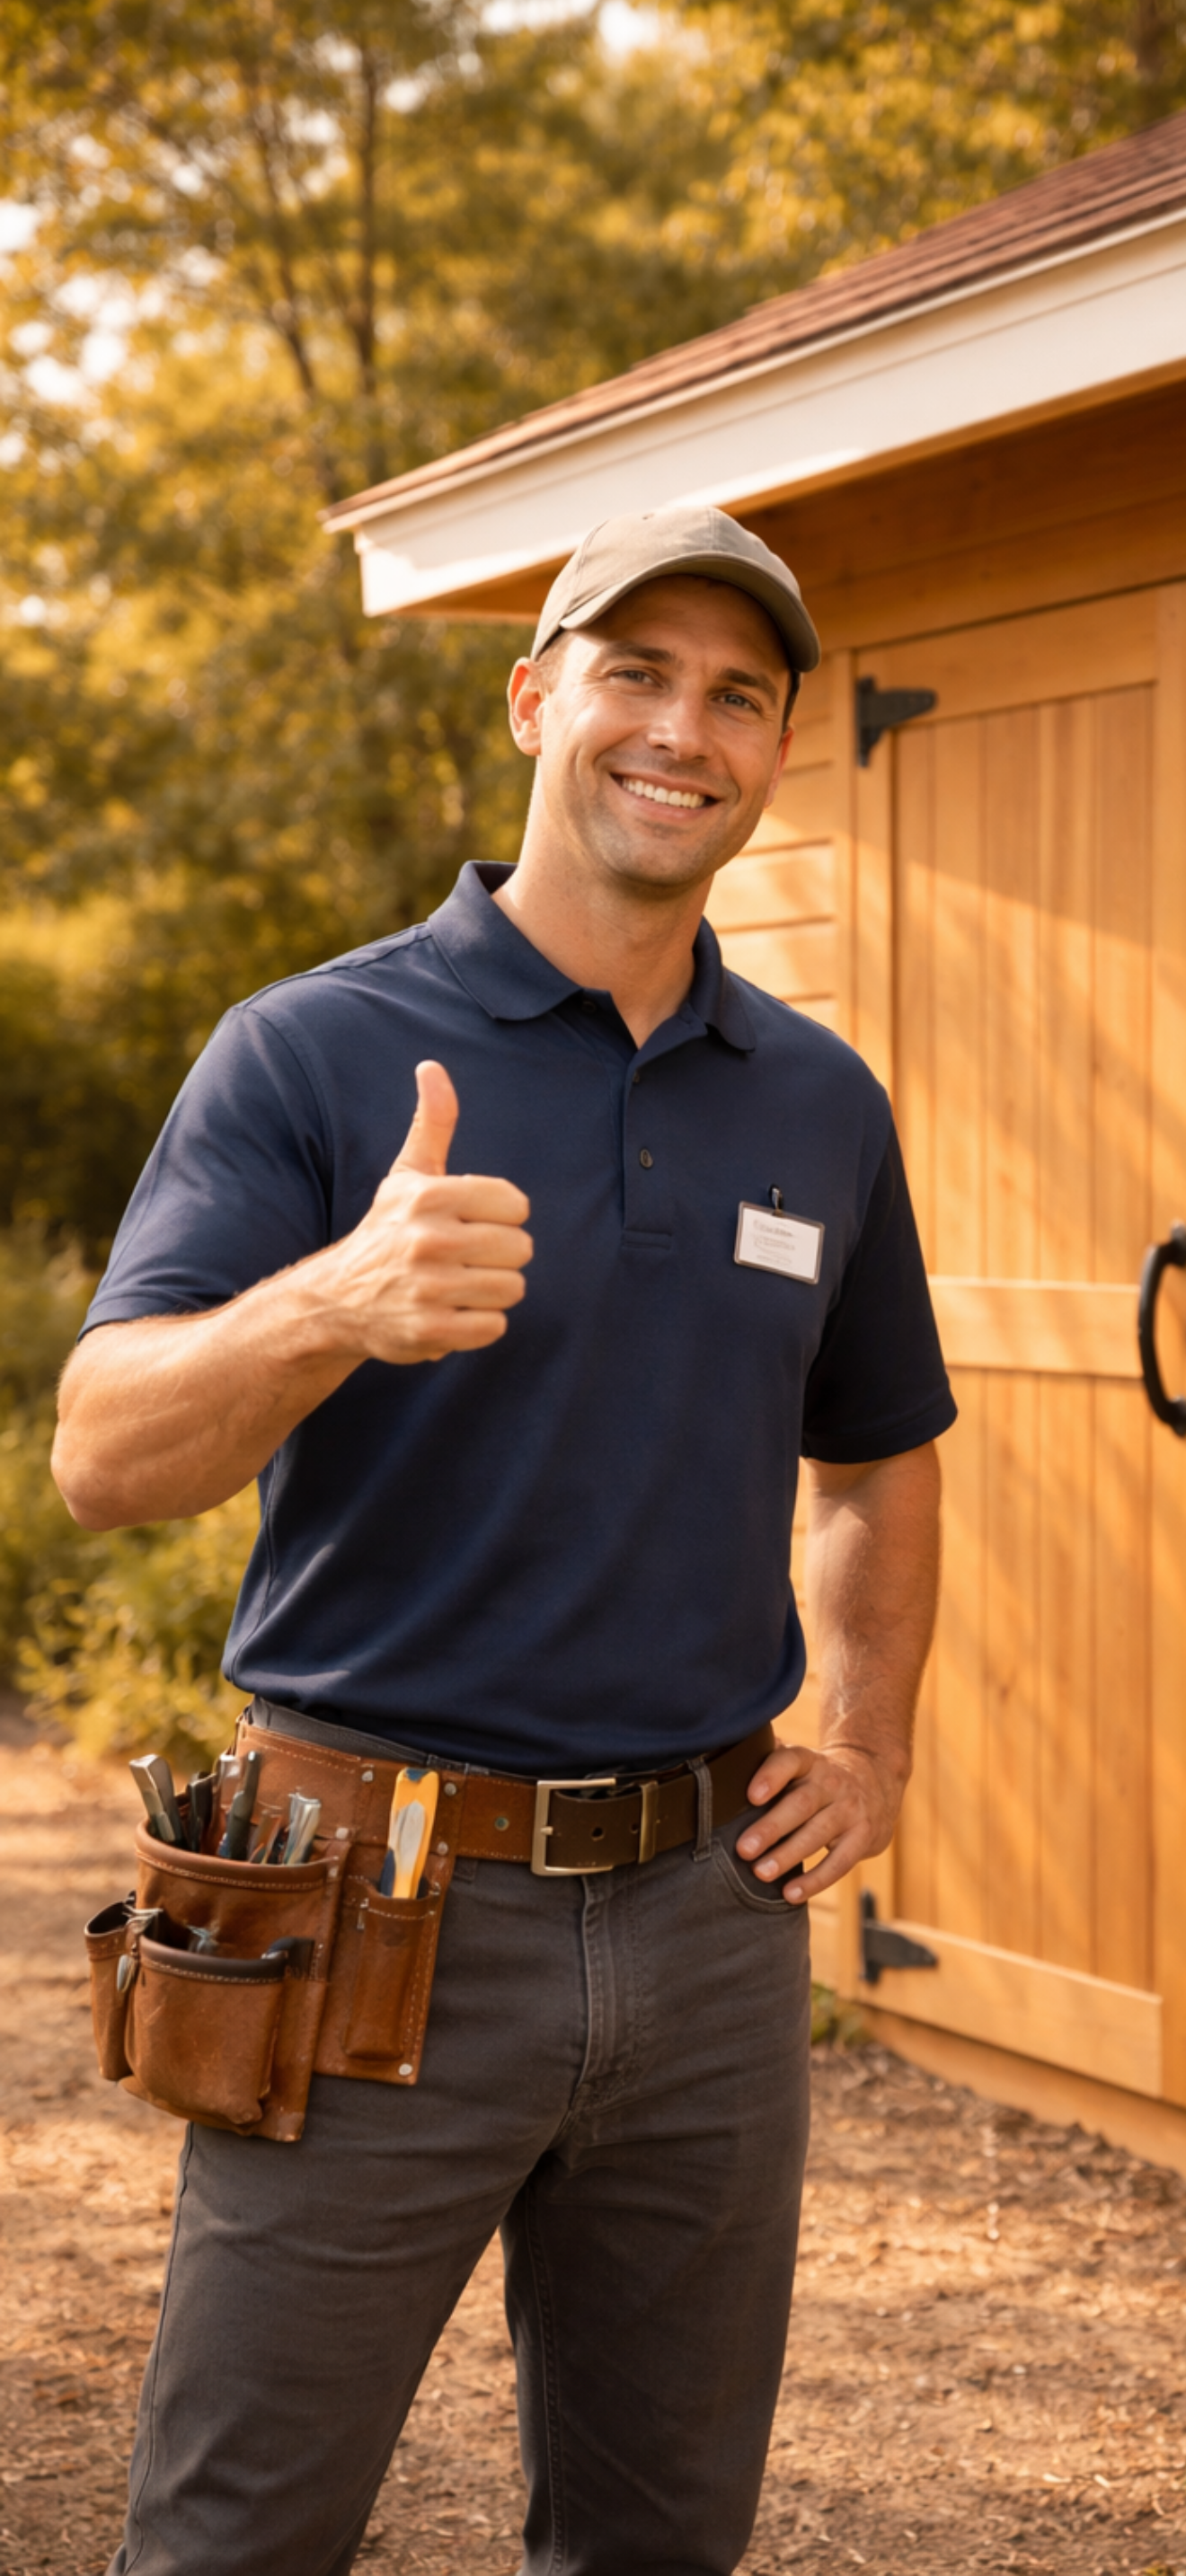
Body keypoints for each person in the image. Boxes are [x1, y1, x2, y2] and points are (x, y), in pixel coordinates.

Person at [54, 503, 954, 2576]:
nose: (684, 727)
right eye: (635, 670)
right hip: (368, 1910)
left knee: (660, 2539)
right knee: (234, 2539)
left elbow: (879, 1451)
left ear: (779, 756)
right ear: (537, 696)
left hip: (710, 1926)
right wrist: (330, 1305)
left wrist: (875, 1737)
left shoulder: (818, 1102)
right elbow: (103, 1456)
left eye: (740, 694)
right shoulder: (314, 1049)